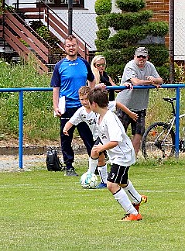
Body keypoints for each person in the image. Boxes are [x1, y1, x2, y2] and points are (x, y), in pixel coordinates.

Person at [88, 87, 147, 221]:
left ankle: (132, 213)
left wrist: (101, 147)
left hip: (122, 155)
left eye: (89, 102)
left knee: (111, 184)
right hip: (119, 155)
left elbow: (115, 141)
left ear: (94, 104)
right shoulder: (100, 114)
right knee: (122, 181)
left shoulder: (110, 119)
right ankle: (137, 199)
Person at [63, 86, 138, 188]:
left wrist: (130, 113)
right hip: (99, 137)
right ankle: (103, 180)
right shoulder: (81, 112)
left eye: (86, 99)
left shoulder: (100, 108)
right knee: (100, 158)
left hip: (105, 136)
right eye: (82, 99)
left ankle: (90, 174)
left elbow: (116, 103)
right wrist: (65, 129)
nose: (84, 102)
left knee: (95, 151)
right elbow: (71, 121)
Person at [51, 35, 95, 176]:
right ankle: (68, 166)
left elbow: (92, 81)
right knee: (66, 137)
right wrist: (56, 106)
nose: (71, 48)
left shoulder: (84, 64)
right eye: (68, 45)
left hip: (83, 107)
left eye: (73, 45)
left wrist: (91, 98)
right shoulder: (60, 66)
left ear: (78, 46)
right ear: (65, 48)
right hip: (67, 107)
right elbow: (56, 87)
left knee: (89, 137)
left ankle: (95, 166)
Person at [116, 47, 163, 155]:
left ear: (147, 58)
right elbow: (136, 82)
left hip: (141, 106)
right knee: (119, 133)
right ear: (134, 57)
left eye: (144, 56)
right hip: (125, 106)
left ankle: (132, 158)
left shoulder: (150, 66)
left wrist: (154, 79)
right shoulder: (130, 66)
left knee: (138, 133)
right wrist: (150, 82)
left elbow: (160, 80)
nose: (141, 58)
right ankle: (117, 157)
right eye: (139, 56)